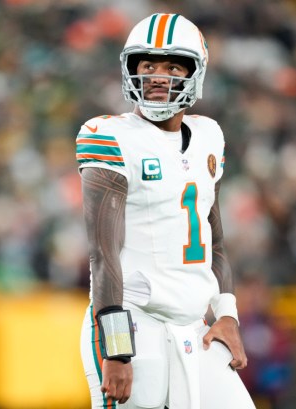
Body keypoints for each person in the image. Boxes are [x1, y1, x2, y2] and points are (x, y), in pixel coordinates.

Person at [76, 13, 256, 409]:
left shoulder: (209, 136)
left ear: (195, 74)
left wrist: (227, 313)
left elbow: (213, 237)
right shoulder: (110, 136)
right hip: (135, 321)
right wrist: (116, 349)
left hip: (194, 327)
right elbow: (103, 255)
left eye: (172, 67)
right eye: (148, 66)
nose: (157, 77)